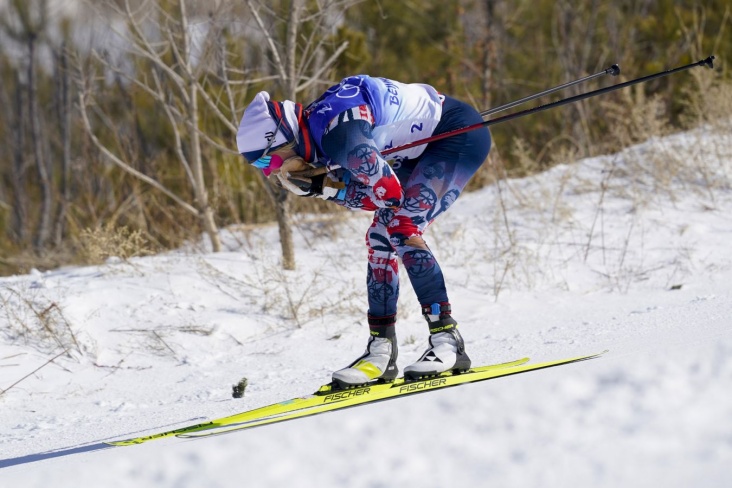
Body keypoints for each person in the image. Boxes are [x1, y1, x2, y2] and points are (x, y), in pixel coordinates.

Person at [236, 75, 491, 388]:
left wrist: (324, 189)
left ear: (285, 138)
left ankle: (448, 341)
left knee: (401, 226)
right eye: (261, 167)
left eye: (269, 158)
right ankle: (380, 350)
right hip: (419, 149)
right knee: (380, 237)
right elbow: (369, 188)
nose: (272, 171)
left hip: (456, 135)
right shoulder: (322, 137)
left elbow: (389, 196)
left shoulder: (339, 135)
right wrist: (325, 184)